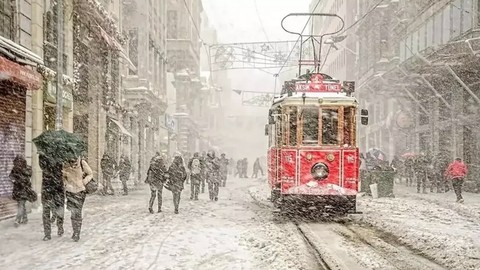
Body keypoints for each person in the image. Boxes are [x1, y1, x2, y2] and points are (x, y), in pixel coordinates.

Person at [62, 157, 93, 242]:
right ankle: (75, 230)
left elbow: (90, 173)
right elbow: (63, 176)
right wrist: (66, 183)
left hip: (80, 191)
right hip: (70, 191)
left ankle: (77, 233)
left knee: (78, 212)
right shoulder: (65, 164)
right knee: (73, 212)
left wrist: (84, 182)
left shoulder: (82, 163)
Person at [39, 154, 65, 241]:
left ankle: (59, 226)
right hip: (48, 188)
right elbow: (42, 165)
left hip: (56, 188)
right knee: (46, 211)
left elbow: (62, 167)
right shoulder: (43, 155)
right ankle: (47, 233)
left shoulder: (60, 155)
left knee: (59, 209)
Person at [9, 155, 33, 227]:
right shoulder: (15, 169)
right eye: (17, 162)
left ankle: (17, 220)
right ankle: (25, 218)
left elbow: (28, 176)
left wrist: (20, 176)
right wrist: (14, 179)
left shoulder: (28, 168)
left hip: (25, 189)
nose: (18, 163)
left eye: (20, 161)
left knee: (21, 204)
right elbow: (11, 176)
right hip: (17, 190)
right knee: (21, 204)